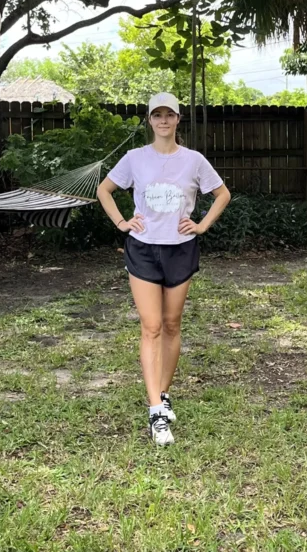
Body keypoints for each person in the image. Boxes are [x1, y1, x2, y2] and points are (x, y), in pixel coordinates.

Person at [96, 92, 230, 446]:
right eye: (157, 115)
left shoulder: (194, 160)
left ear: (178, 119)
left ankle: (163, 393)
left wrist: (201, 226)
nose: (164, 121)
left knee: (171, 325)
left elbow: (222, 195)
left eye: (170, 114)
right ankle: (155, 410)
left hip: (181, 250)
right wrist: (122, 222)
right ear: (150, 120)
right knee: (151, 326)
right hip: (142, 249)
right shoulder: (134, 158)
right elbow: (104, 190)